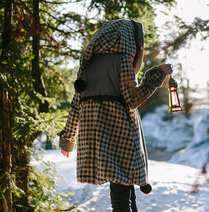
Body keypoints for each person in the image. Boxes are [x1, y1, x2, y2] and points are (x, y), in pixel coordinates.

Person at [58, 19, 172, 212]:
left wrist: (67, 139)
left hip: (94, 136)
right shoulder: (122, 60)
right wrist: (156, 75)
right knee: (121, 194)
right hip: (119, 133)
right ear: (130, 40)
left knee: (124, 187)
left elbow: (76, 104)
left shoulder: (88, 64)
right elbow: (133, 99)